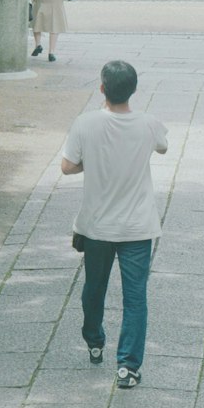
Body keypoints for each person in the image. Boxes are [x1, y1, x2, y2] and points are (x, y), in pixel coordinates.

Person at [61, 59, 168, 390]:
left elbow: (67, 167)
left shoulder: (85, 123)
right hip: (138, 227)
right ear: (133, 90)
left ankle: (94, 340)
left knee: (94, 289)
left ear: (102, 88)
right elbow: (163, 147)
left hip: (97, 227)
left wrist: (90, 164)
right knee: (136, 297)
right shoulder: (149, 124)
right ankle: (128, 366)